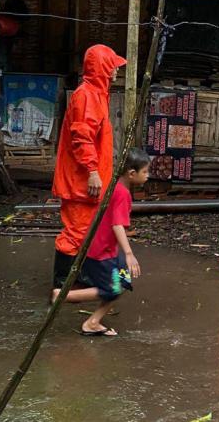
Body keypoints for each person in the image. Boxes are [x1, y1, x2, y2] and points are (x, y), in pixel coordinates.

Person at [52, 44, 126, 293]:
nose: (116, 71)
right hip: (82, 180)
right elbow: (81, 137)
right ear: (103, 69)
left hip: (87, 178)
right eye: (113, 66)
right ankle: (62, 283)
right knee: (76, 231)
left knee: (85, 230)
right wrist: (93, 171)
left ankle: (76, 276)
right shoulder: (87, 96)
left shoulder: (96, 94)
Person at [58, 148, 150, 337]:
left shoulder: (115, 186)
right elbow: (117, 225)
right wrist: (130, 254)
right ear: (132, 174)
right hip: (101, 252)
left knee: (123, 282)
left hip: (104, 249)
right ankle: (63, 296)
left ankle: (93, 322)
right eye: (146, 172)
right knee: (113, 288)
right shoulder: (123, 194)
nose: (148, 176)